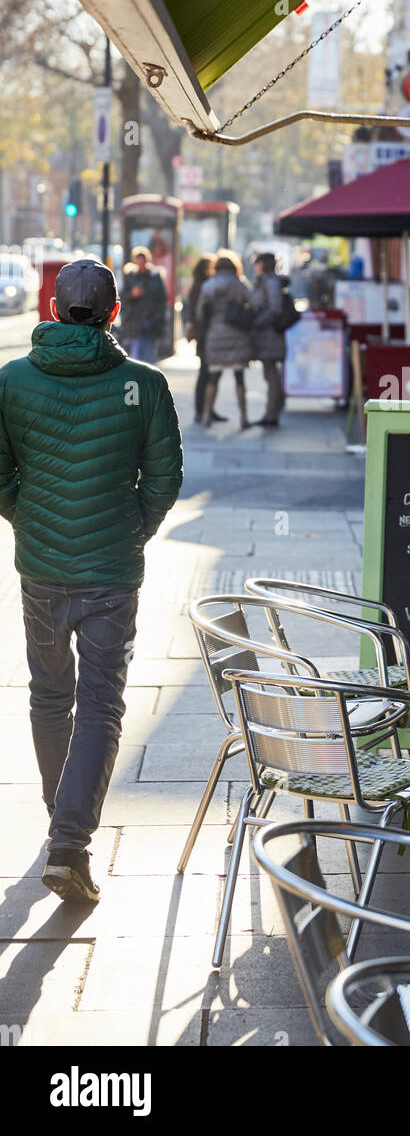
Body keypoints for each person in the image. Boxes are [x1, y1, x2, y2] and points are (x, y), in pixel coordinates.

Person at [0, 258, 183, 904]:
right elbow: (164, 480)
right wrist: (131, 529)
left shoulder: (12, 381)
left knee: (50, 697)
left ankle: (63, 823)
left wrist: (27, 516)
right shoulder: (144, 384)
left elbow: (1, 473)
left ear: (51, 308)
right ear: (114, 314)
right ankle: (69, 841)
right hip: (110, 573)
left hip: (41, 570)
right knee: (101, 704)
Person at [196, 250, 254, 429]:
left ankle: (206, 415)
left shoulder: (208, 285)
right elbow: (254, 304)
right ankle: (244, 417)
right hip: (238, 334)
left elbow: (199, 313)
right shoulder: (240, 284)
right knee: (240, 378)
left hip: (215, 334)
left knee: (213, 377)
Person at [250, 252, 292, 428]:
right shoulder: (266, 282)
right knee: (270, 373)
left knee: (271, 373)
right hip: (268, 335)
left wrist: (257, 323)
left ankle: (272, 412)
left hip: (270, 334)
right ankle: (273, 409)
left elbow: (274, 309)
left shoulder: (270, 282)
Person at [185, 254, 226, 425]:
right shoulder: (201, 287)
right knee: (206, 373)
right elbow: (197, 314)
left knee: (209, 372)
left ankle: (207, 409)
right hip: (205, 335)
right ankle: (201, 410)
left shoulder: (200, 286)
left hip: (206, 335)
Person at [120, 246, 167, 364]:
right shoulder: (130, 277)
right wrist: (132, 294)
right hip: (135, 322)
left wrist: (158, 317)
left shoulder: (155, 277)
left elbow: (162, 299)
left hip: (152, 321)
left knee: (150, 355)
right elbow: (122, 297)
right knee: (136, 356)